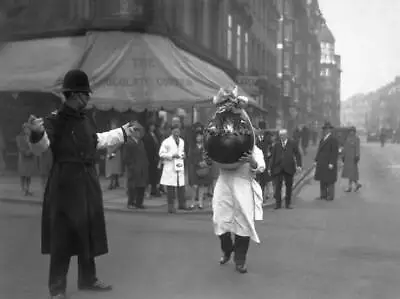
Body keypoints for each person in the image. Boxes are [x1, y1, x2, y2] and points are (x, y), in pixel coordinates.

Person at [26, 69, 136, 299]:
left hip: (87, 181)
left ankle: (88, 279)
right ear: (75, 94)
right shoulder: (54, 120)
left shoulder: (86, 118)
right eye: (86, 94)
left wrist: (123, 133)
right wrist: (36, 133)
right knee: (62, 236)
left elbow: (97, 141)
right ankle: (57, 288)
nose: (88, 98)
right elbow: (42, 147)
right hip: (65, 183)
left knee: (88, 230)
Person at [269, 129, 302, 209]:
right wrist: (270, 168)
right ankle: (278, 204)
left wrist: (299, 165)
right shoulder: (276, 145)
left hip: (289, 167)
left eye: (284, 135)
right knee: (278, 187)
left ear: (287, 135)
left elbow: (297, 154)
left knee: (289, 186)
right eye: (281, 135)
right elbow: (273, 157)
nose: (282, 137)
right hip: (278, 168)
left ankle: (288, 204)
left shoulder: (292, 143)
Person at [159, 123, 187, 213]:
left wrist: (183, 155)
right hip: (170, 166)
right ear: (172, 131)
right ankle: (171, 207)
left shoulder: (182, 141)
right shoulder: (166, 142)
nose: (176, 132)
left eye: (178, 130)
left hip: (179, 165)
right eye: (175, 130)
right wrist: (171, 155)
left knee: (181, 186)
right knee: (171, 188)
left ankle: (182, 204)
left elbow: (182, 152)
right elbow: (161, 154)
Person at [123, 121, 149, 209]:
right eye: (136, 131)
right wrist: (131, 166)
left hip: (142, 167)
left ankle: (139, 203)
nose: (138, 133)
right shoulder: (129, 143)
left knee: (141, 186)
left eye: (139, 131)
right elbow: (126, 157)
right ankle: (131, 202)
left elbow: (144, 154)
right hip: (133, 168)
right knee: (132, 186)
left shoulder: (141, 142)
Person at [314, 121, 339, 201]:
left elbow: (334, 152)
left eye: (328, 129)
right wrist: (316, 160)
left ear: (330, 130)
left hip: (329, 163)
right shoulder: (322, 139)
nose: (326, 130)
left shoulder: (333, 140)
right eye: (325, 129)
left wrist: (332, 163)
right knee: (322, 179)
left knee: (330, 180)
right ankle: (323, 195)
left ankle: (330, 196)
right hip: (322, 163)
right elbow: (319, 150)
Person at [188, 130, 212, 209]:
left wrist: (206, 162)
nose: (199, 137)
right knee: (194, 186)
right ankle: (192, 203)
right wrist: (198, 163)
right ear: (195, 137)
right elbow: (190, 157)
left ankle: (200, 203)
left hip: (203, 168)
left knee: (201, 186)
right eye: (198, 136)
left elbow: (209, 157)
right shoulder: (192, 146)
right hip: (194, 168)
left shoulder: (206, 146)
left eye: (201, 136)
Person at [16, 124, 37, 196]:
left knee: (29, 174)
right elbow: (19, 146)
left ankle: (27, 189)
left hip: (30, 157)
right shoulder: (19, 137)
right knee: (23, 174)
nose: (27, 130)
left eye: (28, 129)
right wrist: (25, 152)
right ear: (23, 129)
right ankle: (22, 188)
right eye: (26, 129)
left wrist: (31, 151)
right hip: (23, 157)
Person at [142, 121, 161, 197]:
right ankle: (148, 192)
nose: (153, 127)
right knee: (149, 175)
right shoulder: (146, 136)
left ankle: (154, 190)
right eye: (151, 126)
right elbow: (147, 148)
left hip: (156, 158)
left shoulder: (155, 135)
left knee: (155, 175)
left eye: (153, 126)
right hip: (150, 158)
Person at [341, 126, 362, 192]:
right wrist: (343, 156)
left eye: (353, 131)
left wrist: (357, 156)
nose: (351, 132)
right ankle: (356, 184)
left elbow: (357, 148)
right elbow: (345, 148)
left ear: (354, 132)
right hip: (347, 158)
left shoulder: (356, 139)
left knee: (352, 173)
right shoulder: (347, 138)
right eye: (350, 131)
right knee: (351, 173)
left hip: (353, 158)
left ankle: (350, 186)